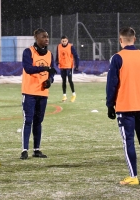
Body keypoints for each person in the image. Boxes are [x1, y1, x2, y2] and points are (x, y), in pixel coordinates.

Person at [106, 27, 140, 185]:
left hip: (125, 107)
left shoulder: (117, 58)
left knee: (129, 141)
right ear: (134, 39)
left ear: (120, 40)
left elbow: (112, 84)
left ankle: (133, 177)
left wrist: (110, 104)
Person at [20, 28, 57, 160]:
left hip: (42, 93)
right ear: (36, 37)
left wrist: (50, 80)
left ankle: (37, 149)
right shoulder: (28, 52)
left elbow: (52, 71)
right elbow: (28, 68)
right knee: (28, 120)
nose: (46, 39)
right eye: (43, 37)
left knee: (38, 121)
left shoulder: (50, 54)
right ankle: (24, 150)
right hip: (29, 92)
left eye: (47, 36)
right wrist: (45, 68)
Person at [56, 35, 80, 102]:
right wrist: (56, 62)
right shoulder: (59, 46)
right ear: (61, 41)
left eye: (65, 41)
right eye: (63, 41)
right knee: (63, 81)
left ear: (67, 40)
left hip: (69, 66)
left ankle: (73, 94)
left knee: (70, 80)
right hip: (62, 66)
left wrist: (77, 65)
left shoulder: (71, 47)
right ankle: (64, 95)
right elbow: (57, 55)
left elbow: (76, 56)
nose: (64, 42)